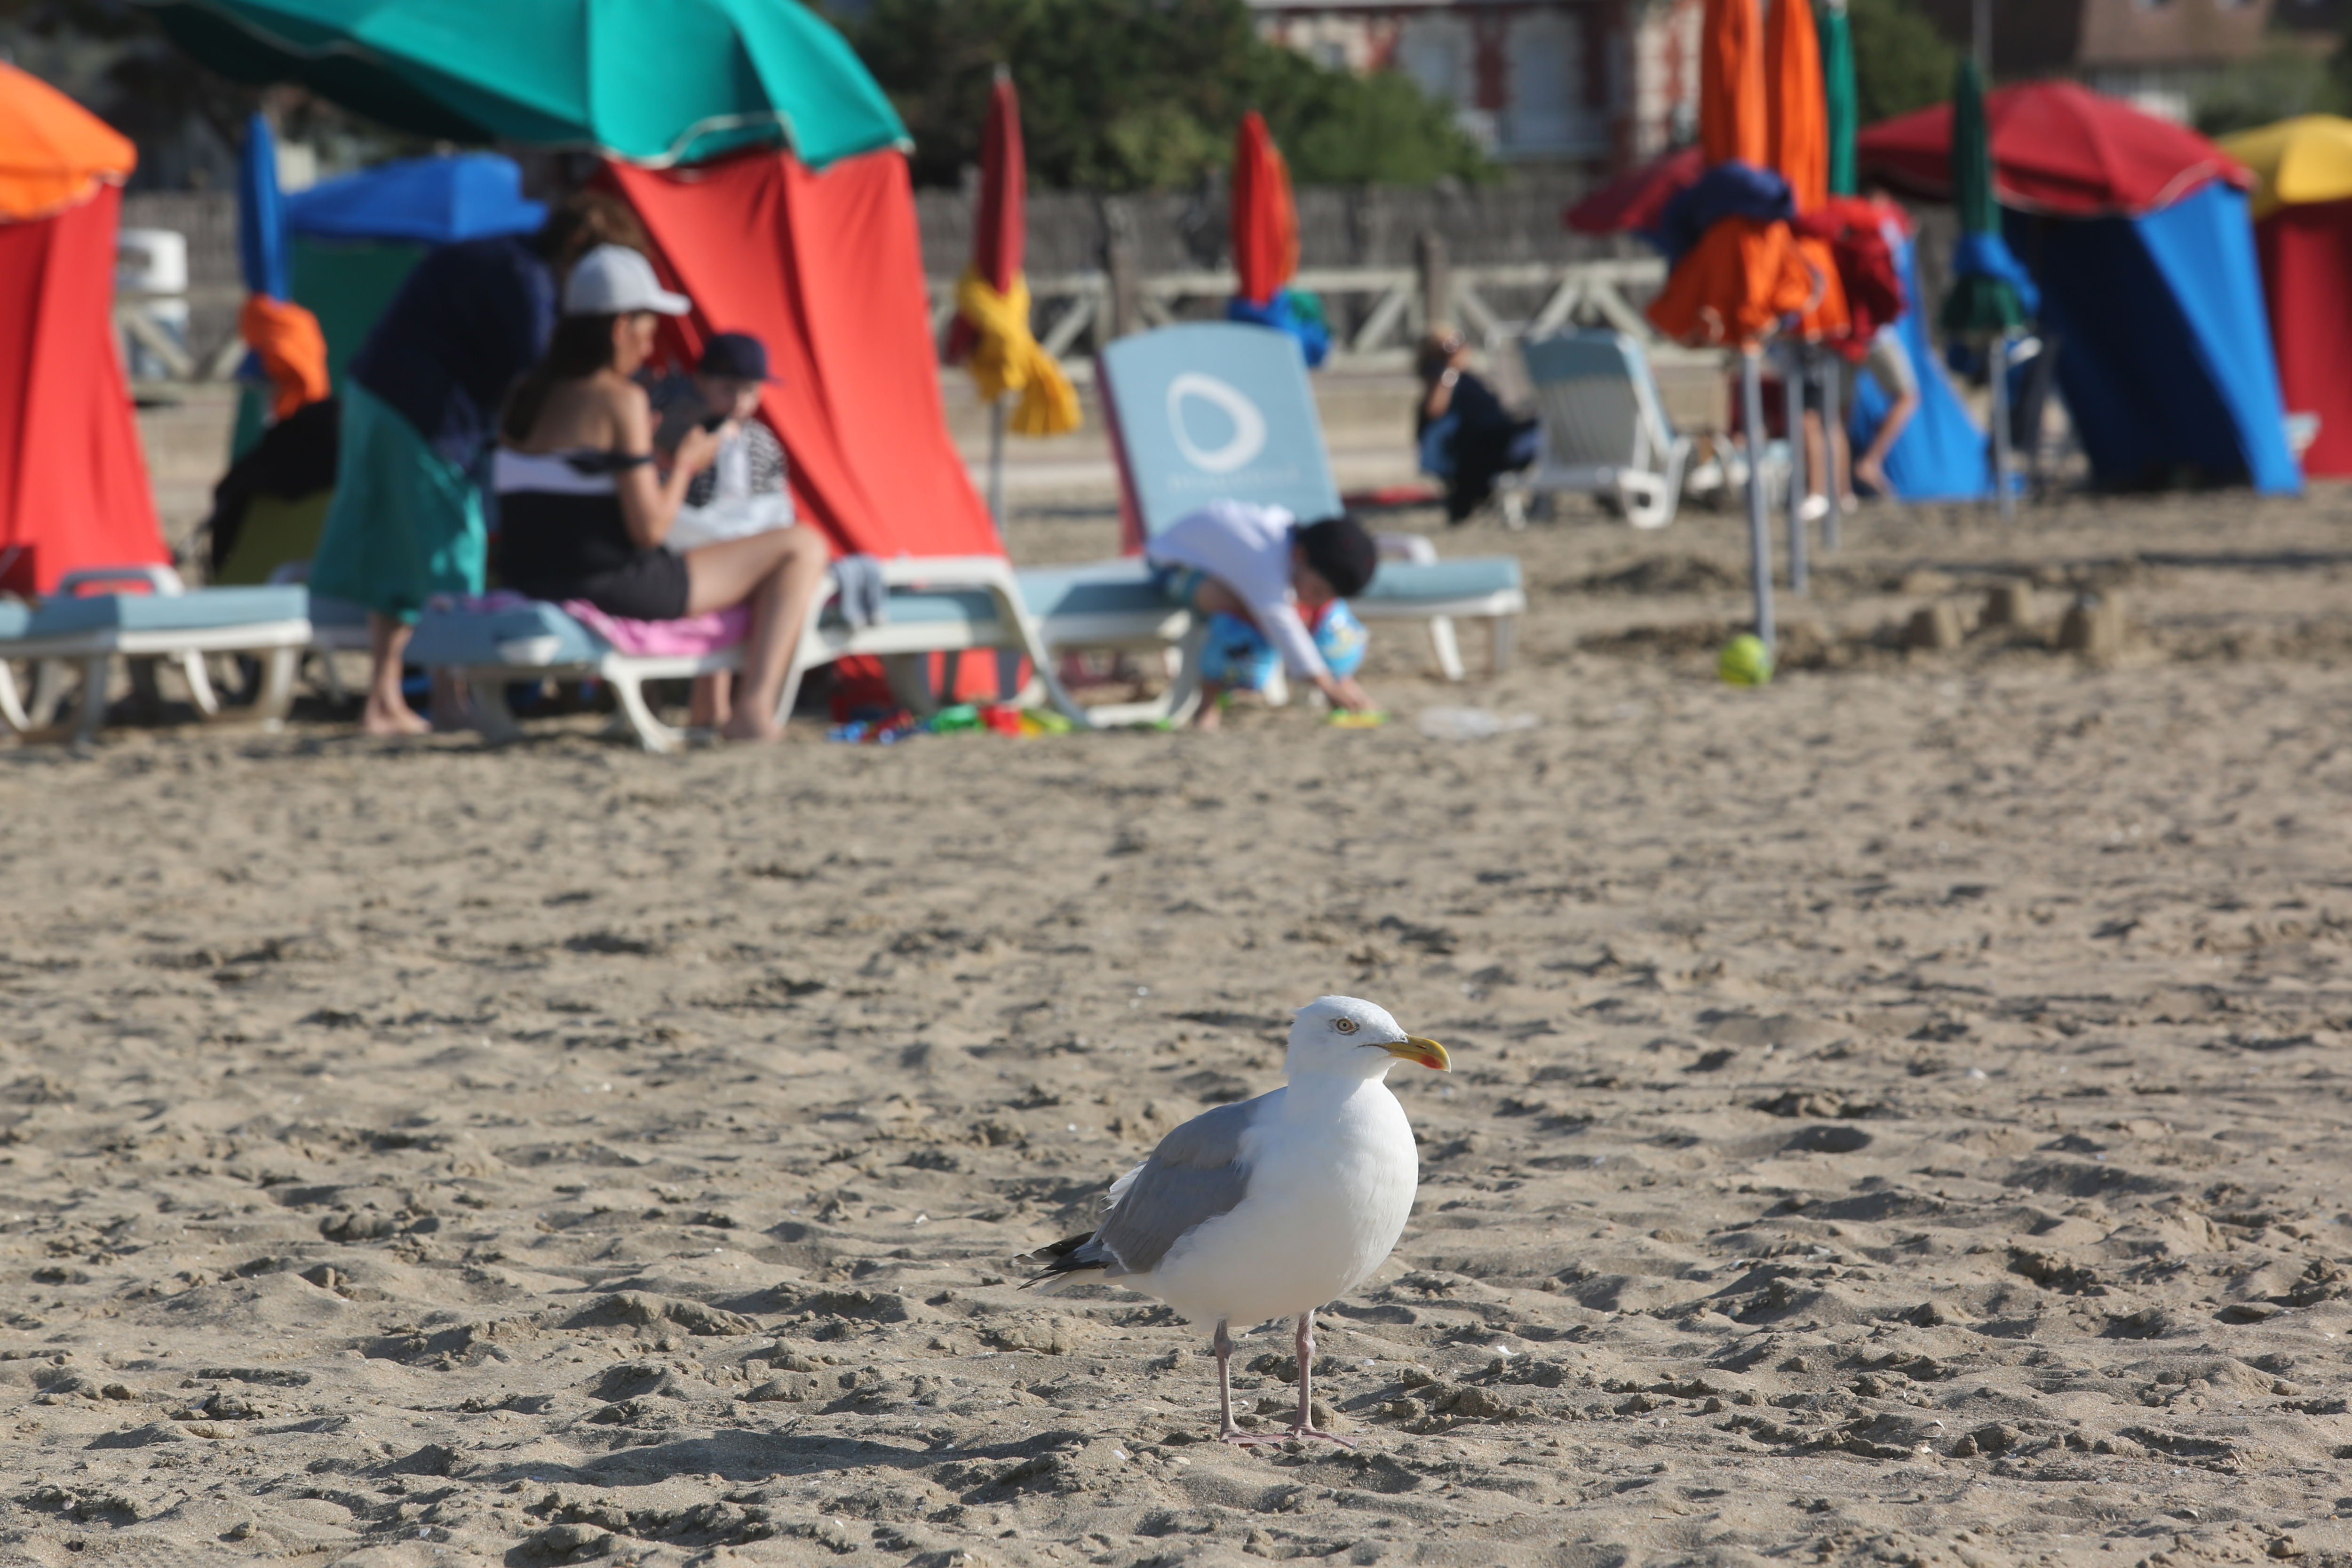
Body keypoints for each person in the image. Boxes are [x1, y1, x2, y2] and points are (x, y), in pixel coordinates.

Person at [308, 192, 645, 737]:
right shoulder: (528, 280)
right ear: (578, 247)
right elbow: (541, 376)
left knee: (394, 549)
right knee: (452, 549)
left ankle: (384, 697)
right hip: (423, 412)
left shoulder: (503, 256)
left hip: (373, 394)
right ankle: (448, 698)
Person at [493, 247, 828, 745]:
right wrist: (687, 464)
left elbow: (560, 496)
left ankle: (717, 703)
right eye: (647, 332)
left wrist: (646, 458)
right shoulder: (619, 398)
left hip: (529, 574)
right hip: (611, 583)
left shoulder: (524, 393)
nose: (649, 350)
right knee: (802, 546)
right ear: (620, 328)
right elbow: (647, 530)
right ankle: (752, 709)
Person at [646, 331, 795, 728]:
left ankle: (718, 703)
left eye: (750, 391)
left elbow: (771, 506)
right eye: (729, 389)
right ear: (701, 383)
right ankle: (701, 703)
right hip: (681, 555)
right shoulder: (677, 430)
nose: (740, 402)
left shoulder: (761, 442)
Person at [1145, 500, 1379, 730]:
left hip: (1226, 563)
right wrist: (1326, 687)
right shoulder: (1265, 559)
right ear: (1299, 555)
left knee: (1322, 615)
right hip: (1172, 562)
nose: (1319, 599)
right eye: (1318, 591)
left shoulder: (1296, 550)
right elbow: (1278, 620)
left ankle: (1345, 682)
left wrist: (1337, 680)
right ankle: (1208, 703)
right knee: (1242, 609)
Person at [1415, 328, 1538, 524]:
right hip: (1479, 448)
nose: (1461, 349)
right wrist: (1449, 371)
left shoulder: (1466, 379)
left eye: (1460, 342)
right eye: (1451, 347)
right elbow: (1434, 411)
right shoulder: (1443, 379)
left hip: (1492, 440)